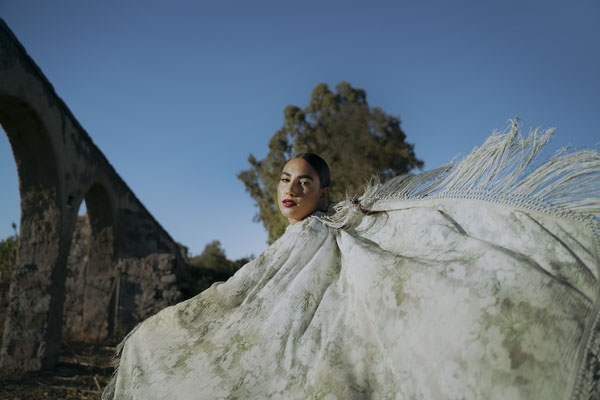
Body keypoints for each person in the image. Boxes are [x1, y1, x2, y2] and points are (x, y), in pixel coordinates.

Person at [103, 124, 599, 400]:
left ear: (321, 193)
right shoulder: (291, 238)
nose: (291, 189)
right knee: (154, 341)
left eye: (304, 183)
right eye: (284, 179)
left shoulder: (322, 232)